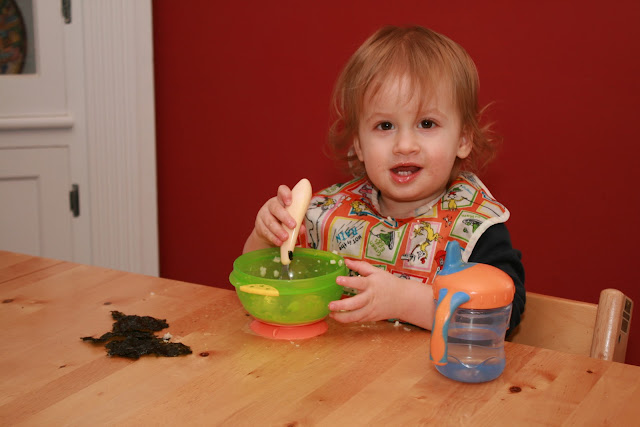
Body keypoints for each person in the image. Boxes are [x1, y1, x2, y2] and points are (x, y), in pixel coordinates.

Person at [243, 25, 525, 333]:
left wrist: (405, 301)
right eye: (385, 126)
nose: (404, 145)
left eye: (426, 123)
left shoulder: (475, 227)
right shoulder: (327, 215)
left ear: (463, 139)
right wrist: (266, 236)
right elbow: (263, 282)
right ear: (359, 145)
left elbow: (503, 316)